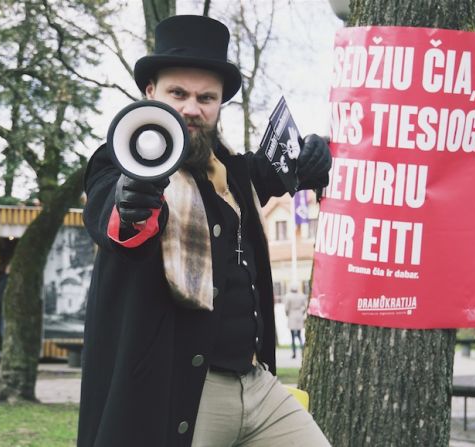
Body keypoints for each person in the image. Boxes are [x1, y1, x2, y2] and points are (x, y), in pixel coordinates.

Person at [78, 15, 332, 447]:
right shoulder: (119, 162)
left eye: (206, 97)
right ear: (150, 93)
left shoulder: (236, 170)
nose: (191, 108)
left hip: (258, 386)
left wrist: (315, 154)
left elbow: (286, 165)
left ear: (218, 104)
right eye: (178, 93)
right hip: (183, 393)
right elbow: (113, 215)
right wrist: (130, 202)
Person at [283, 286, 306, 359]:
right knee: (299, 336)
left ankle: (294, 353)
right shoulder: (302, 296)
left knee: (292, 336)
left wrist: (287, 314)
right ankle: (303, 351)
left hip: (292, 315)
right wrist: (302, 313)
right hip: (299, 315)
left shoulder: (288, 296)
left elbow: (286, 308)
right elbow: (305, 306)